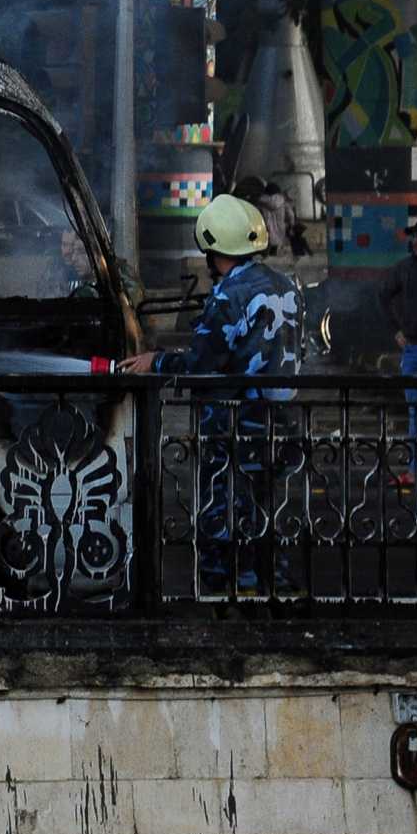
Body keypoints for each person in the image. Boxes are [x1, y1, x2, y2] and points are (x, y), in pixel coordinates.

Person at [117, 193, 301, 597]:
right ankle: (277, 584)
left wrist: (157, 362)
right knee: (272, 505)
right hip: (283, 418)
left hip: (234, 420)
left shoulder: (228, 296)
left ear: (213, 247)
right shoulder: (288, 286)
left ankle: (221, 590)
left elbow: (202, 362)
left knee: (222, 505)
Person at [381, 214, 417, 482]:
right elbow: (383, 296)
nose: (415, 242)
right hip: (415, 351)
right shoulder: (404, 269)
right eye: (414, 236)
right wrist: (396, 330)